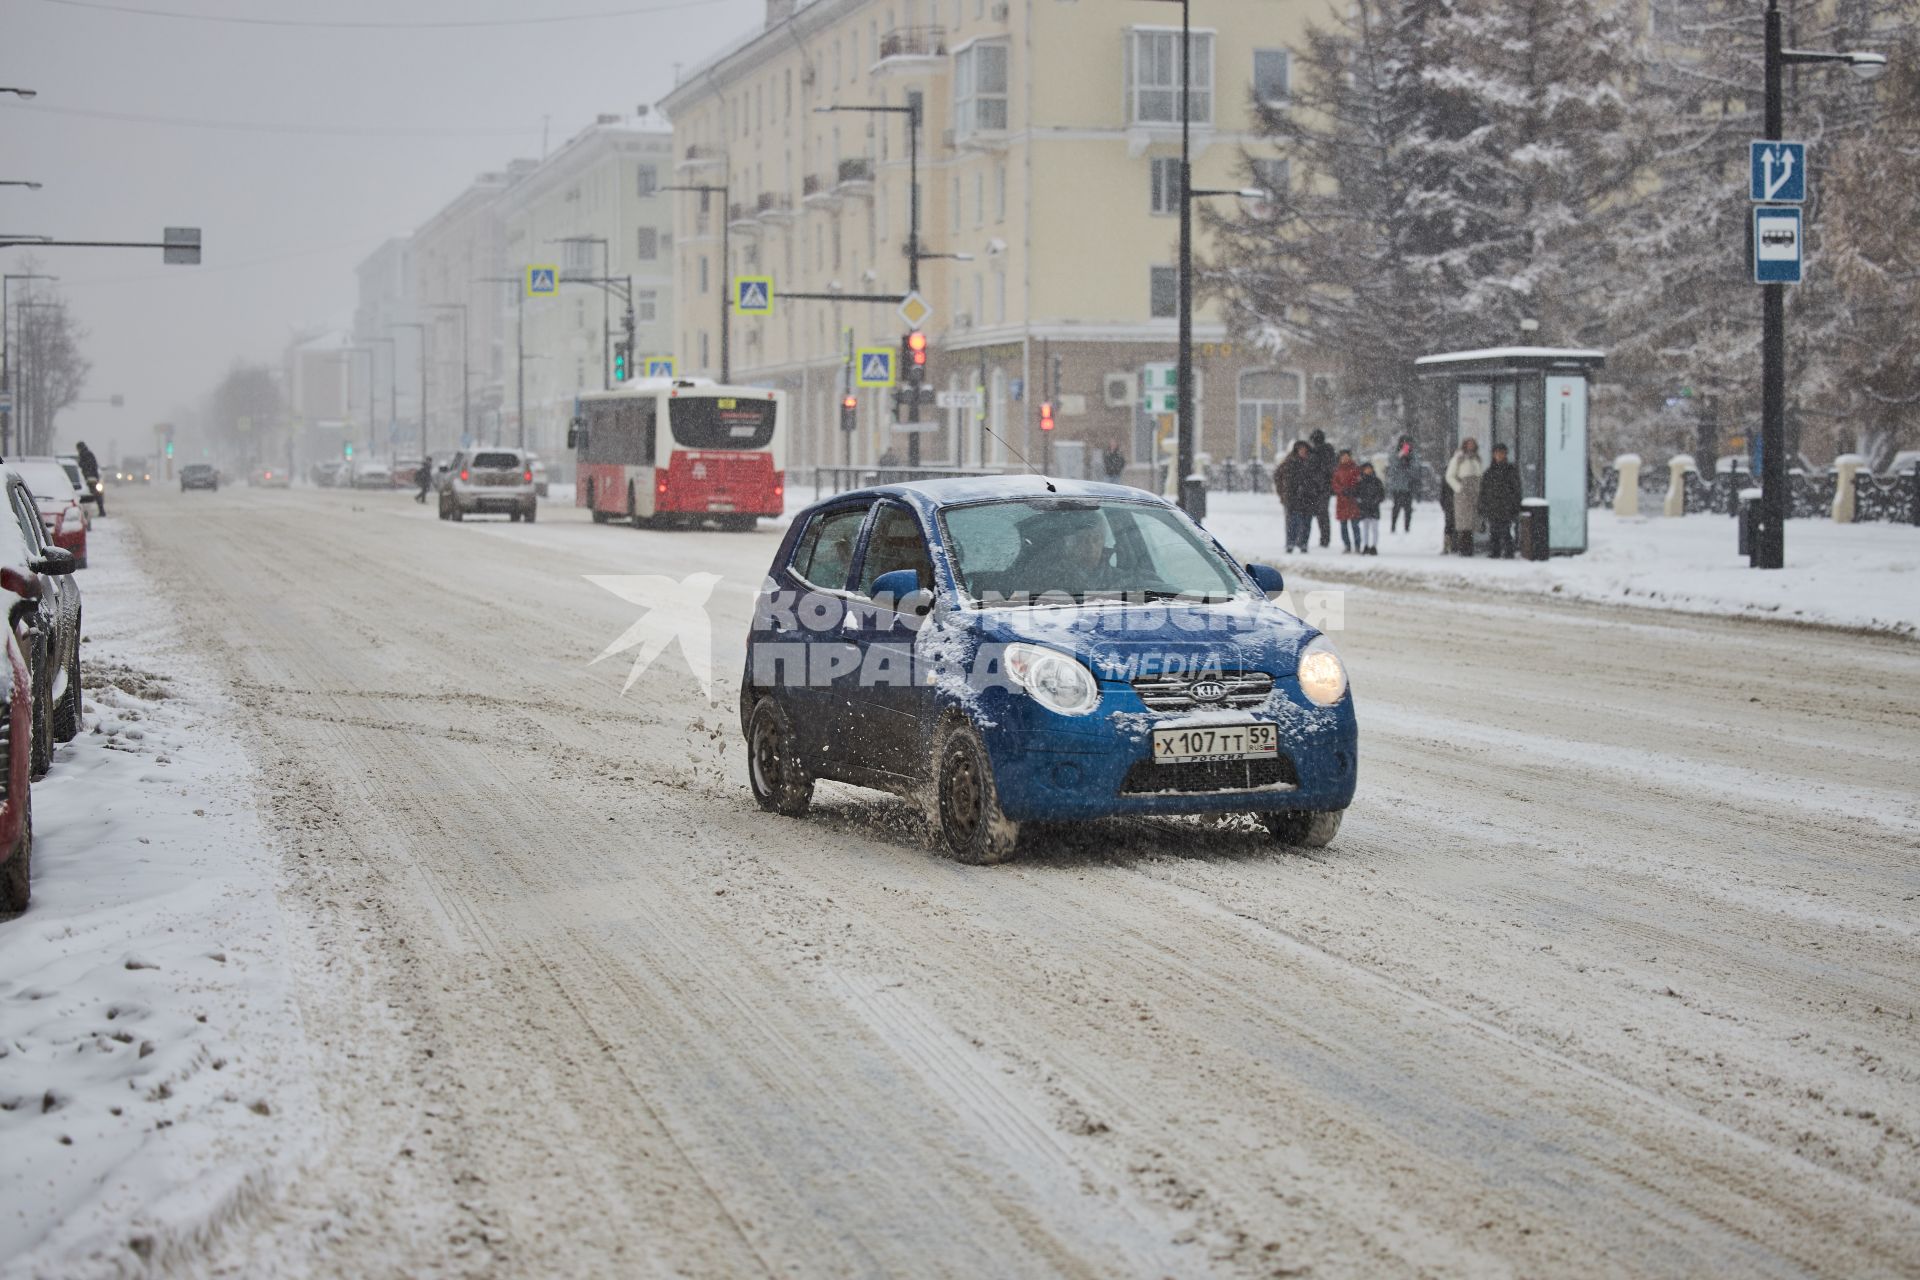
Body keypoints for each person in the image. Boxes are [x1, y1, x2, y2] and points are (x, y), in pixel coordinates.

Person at [1480, 442, 1522, 559]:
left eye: (1501, 453)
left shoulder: (1510, 470)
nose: (1499, 455)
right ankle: (1495, 551)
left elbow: (1516, 489)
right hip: (1493, 506)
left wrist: (1515, 504)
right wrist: (1483, 505)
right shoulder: (1489, 472)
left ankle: (1508, 551)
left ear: (1505, 454)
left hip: (1506, 506)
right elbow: (1484, 490)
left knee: (1505, 530)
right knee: (1494, 530)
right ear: (1494, 455)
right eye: (1497, 453)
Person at [1445, 436, 1485, 556]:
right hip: (1463, 492)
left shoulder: (1477, 459)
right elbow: (1449, 476)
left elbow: (1480, 474)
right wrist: (1459, 488)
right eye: (1468, 444)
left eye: (1472, 444)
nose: (1470, 446)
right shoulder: (1458, 458)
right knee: (1464, 522)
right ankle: (1463, 549)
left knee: (1473, 521)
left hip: (1475, 491)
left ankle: (1470, 547)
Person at [1276, 440, 1318, 554]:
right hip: (1292, 497)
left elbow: (1317, 480)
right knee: (1292, 522)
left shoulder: (1312, 463)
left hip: (1308, 498)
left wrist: (1313, 491)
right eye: (1300, 449)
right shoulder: (1289, 462)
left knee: (1306, 522)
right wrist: (1283, 492)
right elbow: (1278, 477)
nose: (1303, 451)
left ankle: (1303, 543)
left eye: (1304, 449)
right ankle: (1290, 543)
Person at [1306, 429, 1337, 548]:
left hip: (1318, 487)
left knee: (1318, 514)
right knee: (1322, 514)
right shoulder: (1328, 452)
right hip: (1324, 487)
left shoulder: (1314, 452)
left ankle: (1324, 538)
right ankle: (1325, 538)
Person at [1331, 449, 1362, 553]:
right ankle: (1347, 545)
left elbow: (1358, 481)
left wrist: (1353, 489)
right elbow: (1335, 484)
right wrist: (1342, 490)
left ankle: (1357, 545)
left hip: (1353, 500)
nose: (1345, 458)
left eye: (1347, 456)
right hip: (1342, 501)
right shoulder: (1337, 470)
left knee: (1355, 525)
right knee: (1343, 525)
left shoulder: (1355, 468)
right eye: (1343, 456)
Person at [1352, 460, 1386, 556]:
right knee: (1365, 528)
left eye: (1369, 469)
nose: (1368, 470)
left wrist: (1376, 501)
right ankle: (1366, 545)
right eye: (1366, 469)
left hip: (1374, 508)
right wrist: (1360, 501)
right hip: (1364, 508)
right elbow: (1356, 493)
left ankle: (1374, 546)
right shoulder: (1360, 482)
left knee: (1374, 528)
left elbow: (1381, 494)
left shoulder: (1376, 481)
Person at [1385, 435, 1417, 533]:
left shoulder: (1413, 456)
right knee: (1396, 507)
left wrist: (1408, 460)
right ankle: (1393, 526)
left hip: (1408, 486)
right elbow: (1392, 468)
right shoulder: (1395, 454)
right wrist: (1399, 458)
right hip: (1398, 487)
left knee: (1408, 509)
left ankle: (1407, 527)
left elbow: (1415, 470)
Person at [74, 440, 105, 517]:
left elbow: (85, 466)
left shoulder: (85, 454)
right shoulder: (87, 454)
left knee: (92, 495)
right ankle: (100, 510)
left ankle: (99, 511)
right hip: (91, 477)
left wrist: (88, 474)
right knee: (96, 495)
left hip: (90, 478)